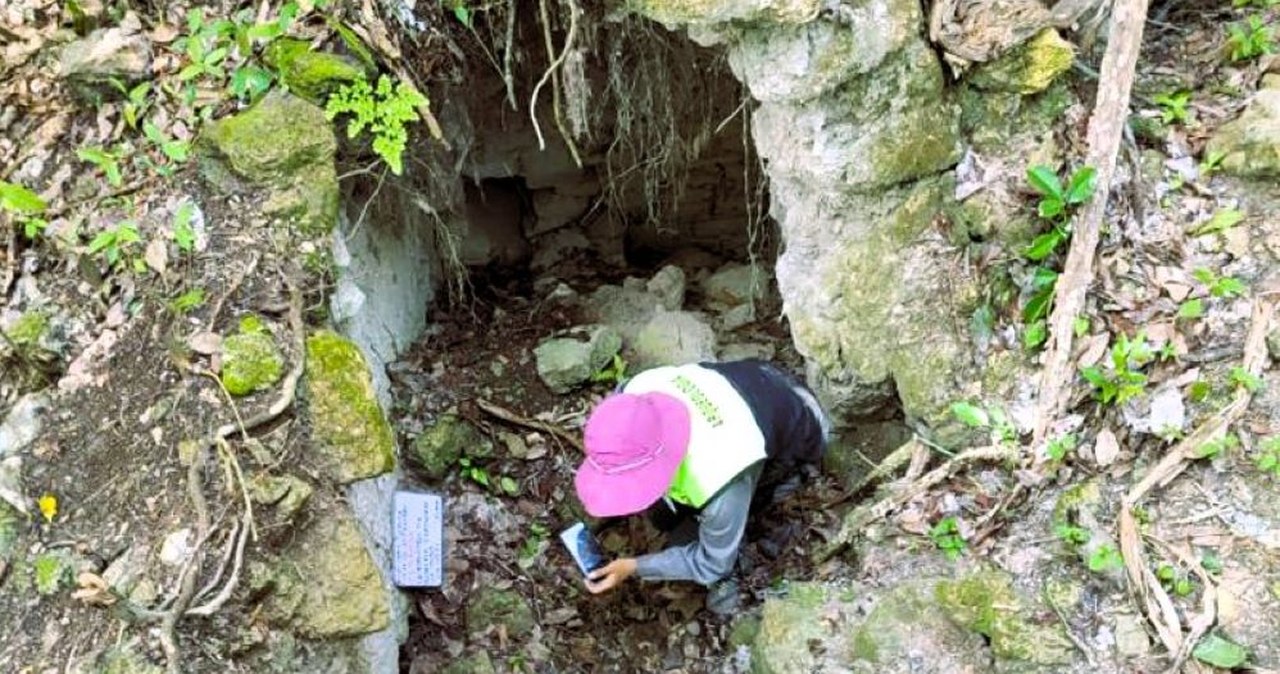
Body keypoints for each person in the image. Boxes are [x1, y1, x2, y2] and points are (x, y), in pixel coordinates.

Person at [572, 358, 830, 611]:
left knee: (710, 532)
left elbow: (713, 564)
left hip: (802, 424)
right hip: (754, 374)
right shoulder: (633, 392)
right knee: (664, 518)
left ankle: (768, 502)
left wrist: (634, 567)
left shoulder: (721, 473)